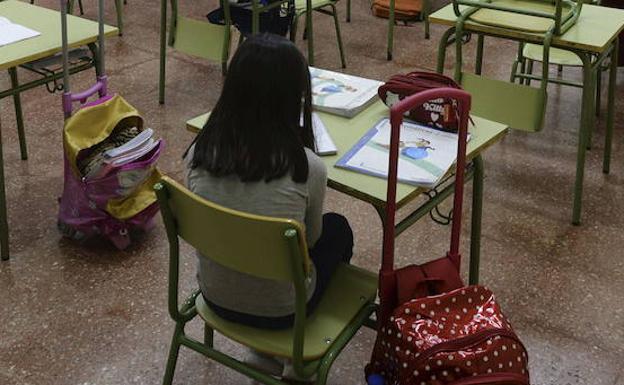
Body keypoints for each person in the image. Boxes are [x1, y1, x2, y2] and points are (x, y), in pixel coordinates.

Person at [185, 33, 354, 332]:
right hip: (285, 311)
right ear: (294, 96)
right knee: (338, 228)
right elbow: (311, 240)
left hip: (213, 296)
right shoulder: (307, 166)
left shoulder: (199, 152)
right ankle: (298, 349)